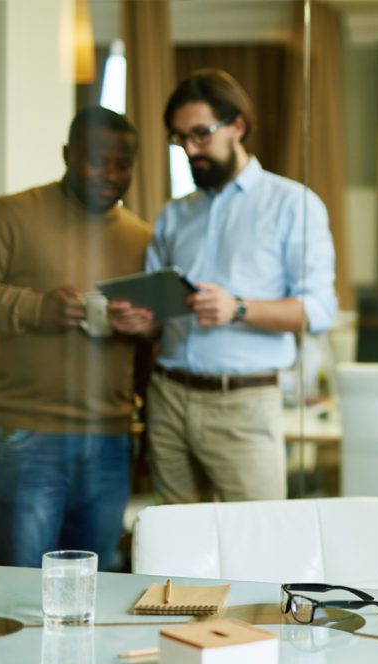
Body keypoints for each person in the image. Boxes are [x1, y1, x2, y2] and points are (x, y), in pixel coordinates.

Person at [109, 69, 337, 504]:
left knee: (257, 548)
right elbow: (159, 322)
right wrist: (139, 321)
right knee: (177, 553)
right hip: (168, 399)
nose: (191, 150)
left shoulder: (292, 204)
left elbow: (318, 311)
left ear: (237, 125)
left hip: (244, 403)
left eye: (200, 135)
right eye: (180, 139)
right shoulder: (174, 215)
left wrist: (238, 308)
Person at [0, 107, 151, 570]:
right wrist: (35, 307)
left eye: (123, 164)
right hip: (30, 435)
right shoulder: (13, 214)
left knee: (93, 583)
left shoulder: (141, 237)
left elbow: (160, 326)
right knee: (20, 583)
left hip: (109, 437)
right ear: (66, 155)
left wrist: (144, 324)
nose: (111, 174)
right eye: (98, 160)